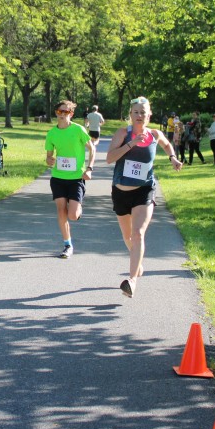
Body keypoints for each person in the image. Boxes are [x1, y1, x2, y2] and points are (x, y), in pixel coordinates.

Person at [107, 97, 183, 298]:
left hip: (144, 190)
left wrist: (173, 158)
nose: (139, 115)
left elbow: (167, 145)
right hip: (121, 191)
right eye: (136, 112)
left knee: (138, 233)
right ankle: (137, 261)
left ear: (149, 115)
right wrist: (131, 144)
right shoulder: (123, 133)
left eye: (143, 112)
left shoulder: (155, 134)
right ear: (130, 115)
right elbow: (109, 158)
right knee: (128, 237)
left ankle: (132, 281)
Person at [45, 100, 95, 259]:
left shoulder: (78, 129)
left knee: (72, 215)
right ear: (56, 113)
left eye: (65, 112)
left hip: (76, 178)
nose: (62, 114)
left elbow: (92, 148)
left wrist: (89, 168)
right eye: (59, 111)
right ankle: (67, 245)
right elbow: (48, 157)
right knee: (61, 211)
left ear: (71, 114)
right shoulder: (52, 133)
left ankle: (77, 209)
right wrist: (49, 160)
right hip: (58, 177)